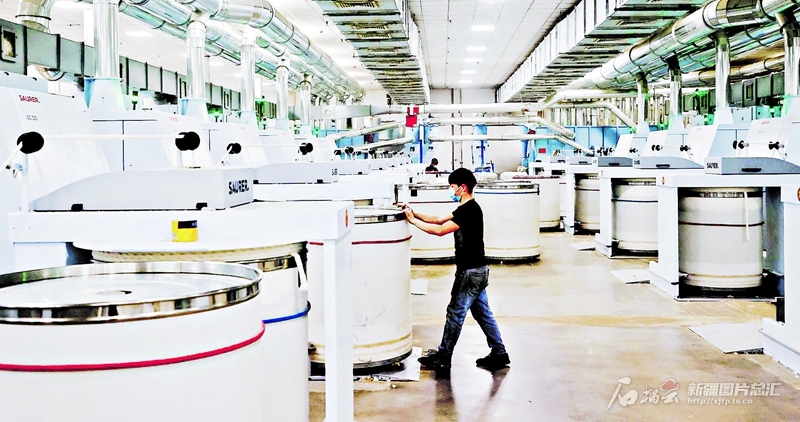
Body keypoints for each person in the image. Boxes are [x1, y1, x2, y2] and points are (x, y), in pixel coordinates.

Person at [401, 168, 510, 371]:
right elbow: (438, 219)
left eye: (452, 186)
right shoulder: (467, 208)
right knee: (483, 314)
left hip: (469, 272)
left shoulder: (469, 210)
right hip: (479, 271)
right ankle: (499, 353)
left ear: (463, 187)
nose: (450, 190)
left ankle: (444, 356)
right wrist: (413, 212)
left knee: (455, 313)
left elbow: (439, 230)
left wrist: (412, 221)